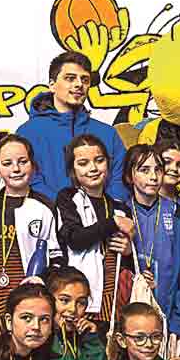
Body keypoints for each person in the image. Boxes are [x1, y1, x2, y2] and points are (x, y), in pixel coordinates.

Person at [0, 134, 60, 342]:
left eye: (23, 162)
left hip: (29, 301)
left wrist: (41, 280)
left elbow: (57, 259)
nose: (16, 169)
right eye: (7, 163)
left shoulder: (45, 207)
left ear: (33, 166)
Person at [17, 51, 127, 201]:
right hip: (49, 218)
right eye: (70, 78)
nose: (78, 84)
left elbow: (119, 180)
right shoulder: (27, 133)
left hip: (103, 220)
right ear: (52, 85)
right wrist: (66, 210)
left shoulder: (107, 133)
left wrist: (103, 212)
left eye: (85, 80)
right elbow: (28, 179)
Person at [120, 144, 180, 348]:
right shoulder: (119, 213)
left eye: (158, 169)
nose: (153, 176)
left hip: (168, 322)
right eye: (144, 170)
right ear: (130, 176)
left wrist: (179, 324)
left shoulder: (178, 214)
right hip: (127, 323)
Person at [54, 133, 133, 329]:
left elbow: (129, 264)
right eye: (83, 163)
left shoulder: (120, 207)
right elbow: (75, 239)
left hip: (114, 301)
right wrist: (113, 223)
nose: (93, 168)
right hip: (79, 301)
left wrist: (128, 252)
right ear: (72, 169)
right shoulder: (67, 198)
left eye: (99, 160)